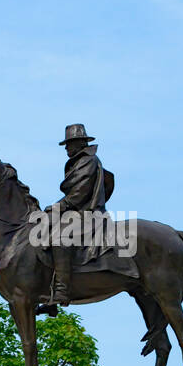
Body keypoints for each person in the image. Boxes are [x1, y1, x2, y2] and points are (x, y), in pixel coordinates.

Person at [44, 124, 114, 307]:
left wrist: (60, 205)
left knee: (60, 237)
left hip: (89, 213)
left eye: (70, 143)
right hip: (76, 211)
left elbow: (80, 192)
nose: (67, 148)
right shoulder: (79, 161)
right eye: (66, 144)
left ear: (80, 143)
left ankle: (62, 289)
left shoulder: (88, 160)